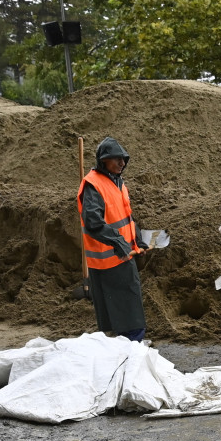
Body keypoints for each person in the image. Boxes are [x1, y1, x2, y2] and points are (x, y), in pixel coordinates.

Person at [77, 137, 149, 342]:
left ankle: (126, 346)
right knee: (128, 314)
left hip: (123, 254)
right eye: (116, 159)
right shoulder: (93, 184)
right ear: (103, 160)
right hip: (109, 260)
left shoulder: (117, 182)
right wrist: (118, 242)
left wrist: (137, 239)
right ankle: (130, 348)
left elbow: (125, 216)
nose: (122, 163)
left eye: (123, 159)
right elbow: (93, 222)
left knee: (123, 310)